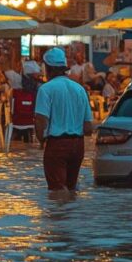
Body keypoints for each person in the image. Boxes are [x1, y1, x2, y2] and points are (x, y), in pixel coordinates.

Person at [35, 47, 94, 194]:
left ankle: (60, 216)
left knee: (57, 191)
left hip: (56, 144)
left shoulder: (46, 89)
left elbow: (40, 121)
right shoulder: (80, 89)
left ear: (47, 68)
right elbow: (88, 128)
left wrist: (41, 140)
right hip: (78, 146)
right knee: (72, 189)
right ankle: (72, 215)